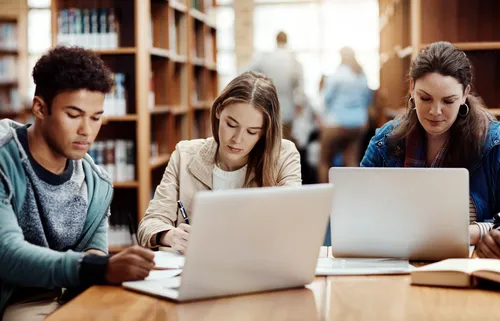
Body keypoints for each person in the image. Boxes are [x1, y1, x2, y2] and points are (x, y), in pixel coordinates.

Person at [0, 46, 155, 321]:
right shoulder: (5, 160)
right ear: (40, 107)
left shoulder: (96, 183)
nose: (87, 130)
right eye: (73, 115)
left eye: (96, 117)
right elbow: (7, 254)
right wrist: (95, 266)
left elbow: (94, 251)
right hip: (14, 299)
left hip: (71, 294)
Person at [360, 41, 500, 258]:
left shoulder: (493, 143)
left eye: (448, 101)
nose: (435, 111)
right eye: (425, 98)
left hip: (471, 263)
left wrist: (477, 233)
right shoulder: (385, 141)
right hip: (397, 259)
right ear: (412, 88)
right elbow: (358, 213)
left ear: (465, 94)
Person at [137, 71, 302, 253]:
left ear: (264, 132)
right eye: (231, 124)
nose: (237, 139)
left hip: (257, 269)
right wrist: (169, 236)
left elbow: (292, 220)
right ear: (218, 111)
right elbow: (149, 225)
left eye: (252, 132)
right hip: (195, 272)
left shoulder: (283, 155)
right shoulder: (185, 155)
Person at [318, 47, 372, 183]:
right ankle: (352, 197)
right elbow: (368, 99)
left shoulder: (337, 75)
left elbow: (326, 99)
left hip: (336, 123)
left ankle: (324, 195)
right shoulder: (362, 75)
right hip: (358, 124)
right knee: (351, 161)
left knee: (324, 160)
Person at [248, 31, 305, 141]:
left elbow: (248, 72)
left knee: (268, 140)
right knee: (285, 142)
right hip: (287, 108)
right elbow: (300, 87)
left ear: (276, 40)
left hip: (266, 106)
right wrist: (299, 104)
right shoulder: (294, 61)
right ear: (287, 41)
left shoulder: (265, 58)